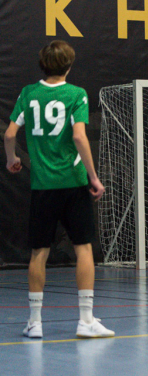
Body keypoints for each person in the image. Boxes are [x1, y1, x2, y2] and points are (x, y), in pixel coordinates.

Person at [4, 40, 114, 338]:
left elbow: (10, 133)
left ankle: (35, 323)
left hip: (43, 186)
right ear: (69, 65)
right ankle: (86, 320)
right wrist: (93, 177)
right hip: (73, 182)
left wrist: (12, 159)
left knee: (38, 252)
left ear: (42, 64)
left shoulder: (29, 93)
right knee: (83, 248)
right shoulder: (76, 94)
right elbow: (79, 136)